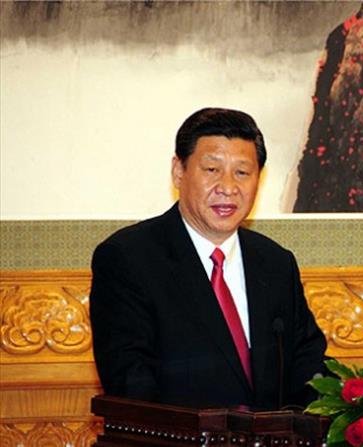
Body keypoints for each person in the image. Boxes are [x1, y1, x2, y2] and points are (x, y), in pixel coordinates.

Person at [90, 108, 327, 409]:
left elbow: (309, 367)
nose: (228, 188)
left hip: (271, 440)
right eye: (212, 169)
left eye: (242, 172)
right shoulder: (128, 259)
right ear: (179, 171)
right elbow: (131, 385)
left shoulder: (276, 263)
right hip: (177, 439)